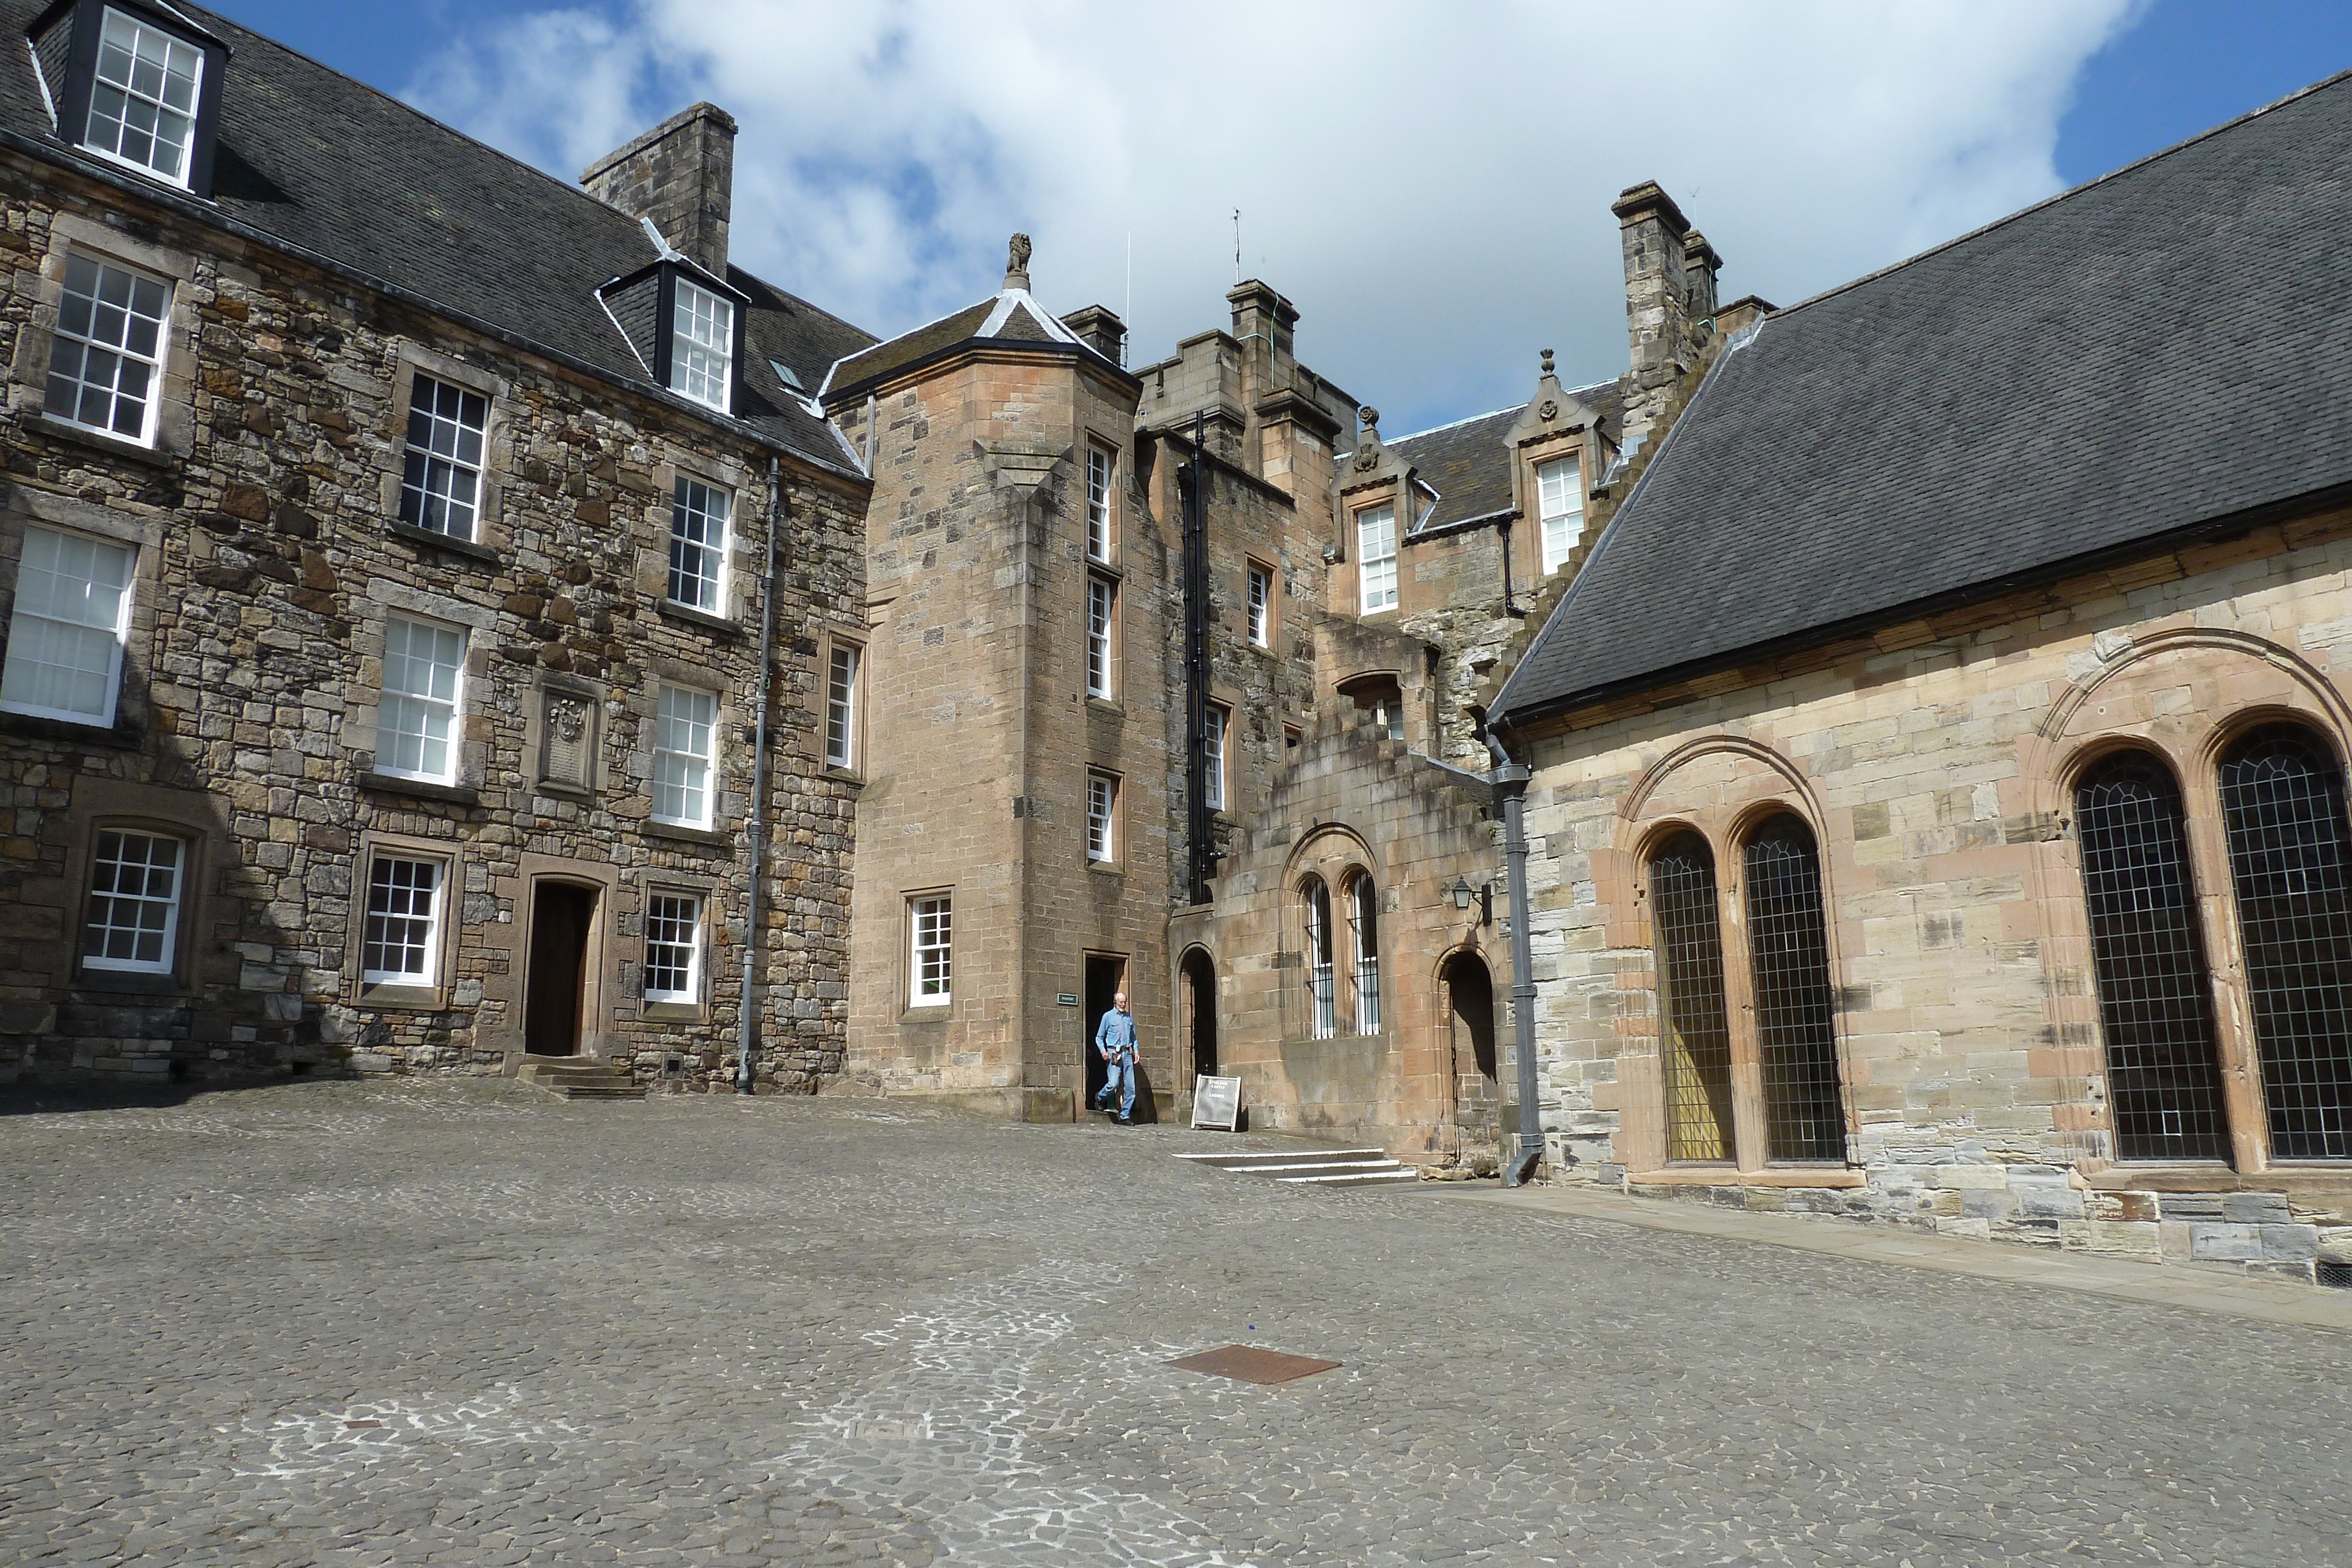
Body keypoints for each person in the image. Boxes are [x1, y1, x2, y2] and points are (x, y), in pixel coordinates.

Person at [1093, 990, 1139, 1124]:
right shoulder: (1108, 1017)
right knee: (1113, 1083)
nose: (1124, 1004)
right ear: (1116, 1002)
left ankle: (1125, 1115)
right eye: (1121, 1002)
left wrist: (1136, 1051)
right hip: (1113, 1053)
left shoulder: (1129, 1017)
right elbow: (1099, 1037)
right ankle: (1100, 1097)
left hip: (1127, 1054)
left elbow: (1134, 1037)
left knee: (1131, 1087)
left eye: (1125, 1002)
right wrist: (1103, 1052)